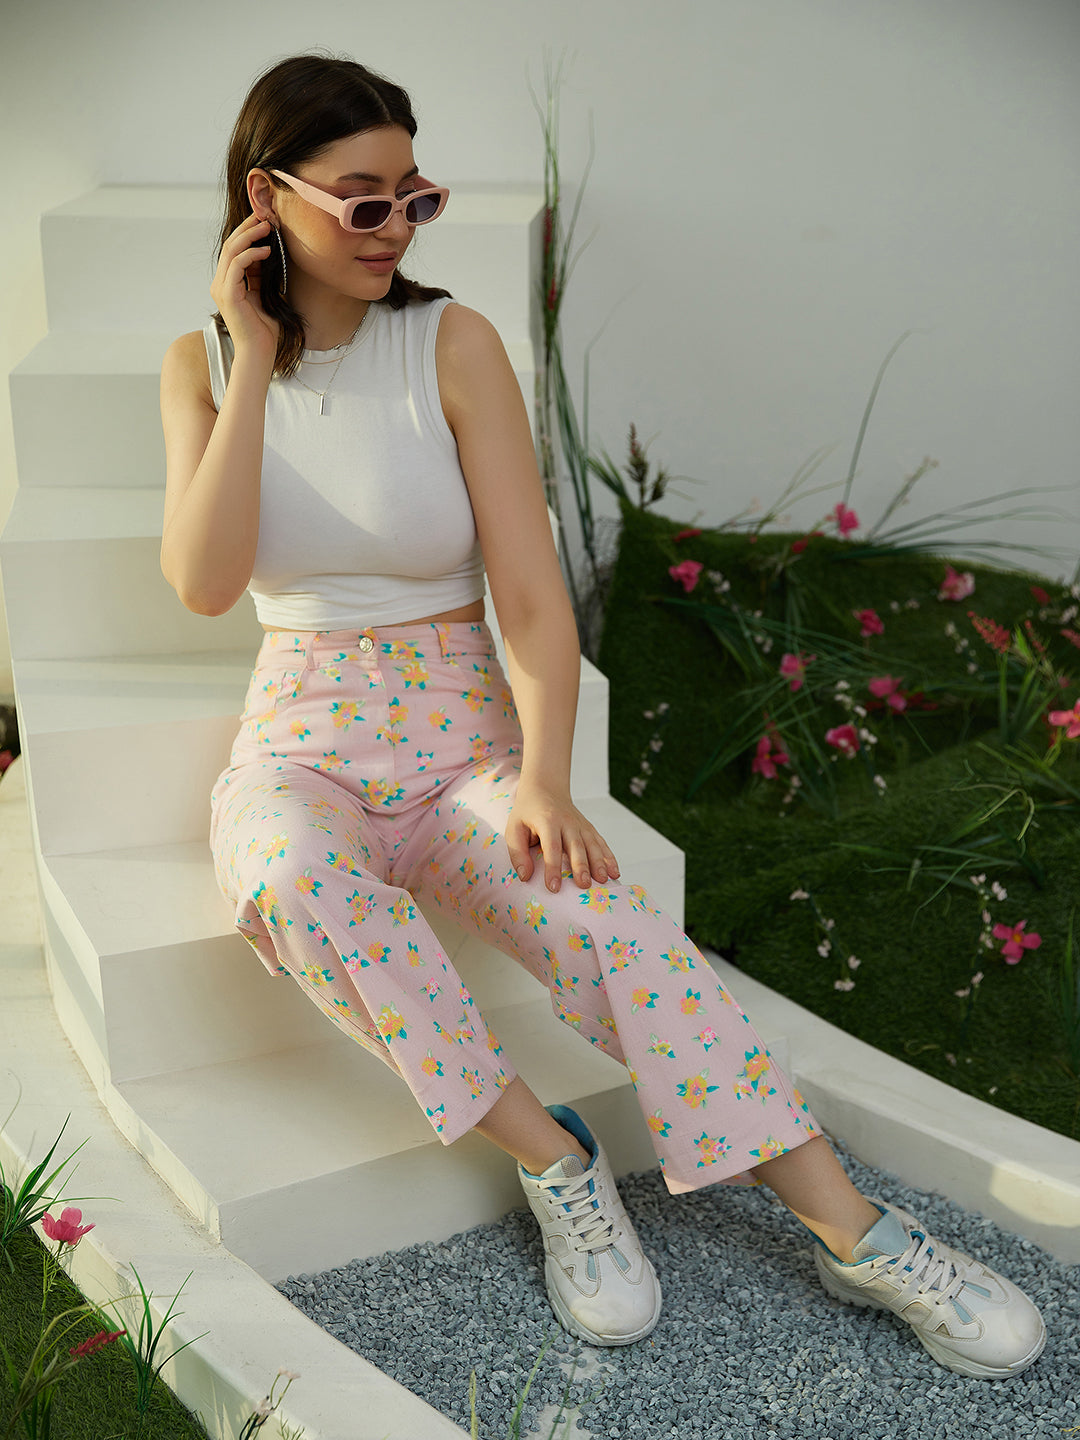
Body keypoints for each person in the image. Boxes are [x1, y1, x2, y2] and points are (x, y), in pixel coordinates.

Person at [160, 53, 1045, 1377]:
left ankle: (857, 1236)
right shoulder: (200, 363)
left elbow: (528, 591)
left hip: (461, 735)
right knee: (286, 878)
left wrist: (545, 777)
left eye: (416, 198)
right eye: (363, 201)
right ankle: (555, 1161)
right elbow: (205, 581)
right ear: (263, 197)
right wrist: (253, 366)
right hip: (301, 738)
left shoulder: (451, 343)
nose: (396, 228)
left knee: (616, 932)